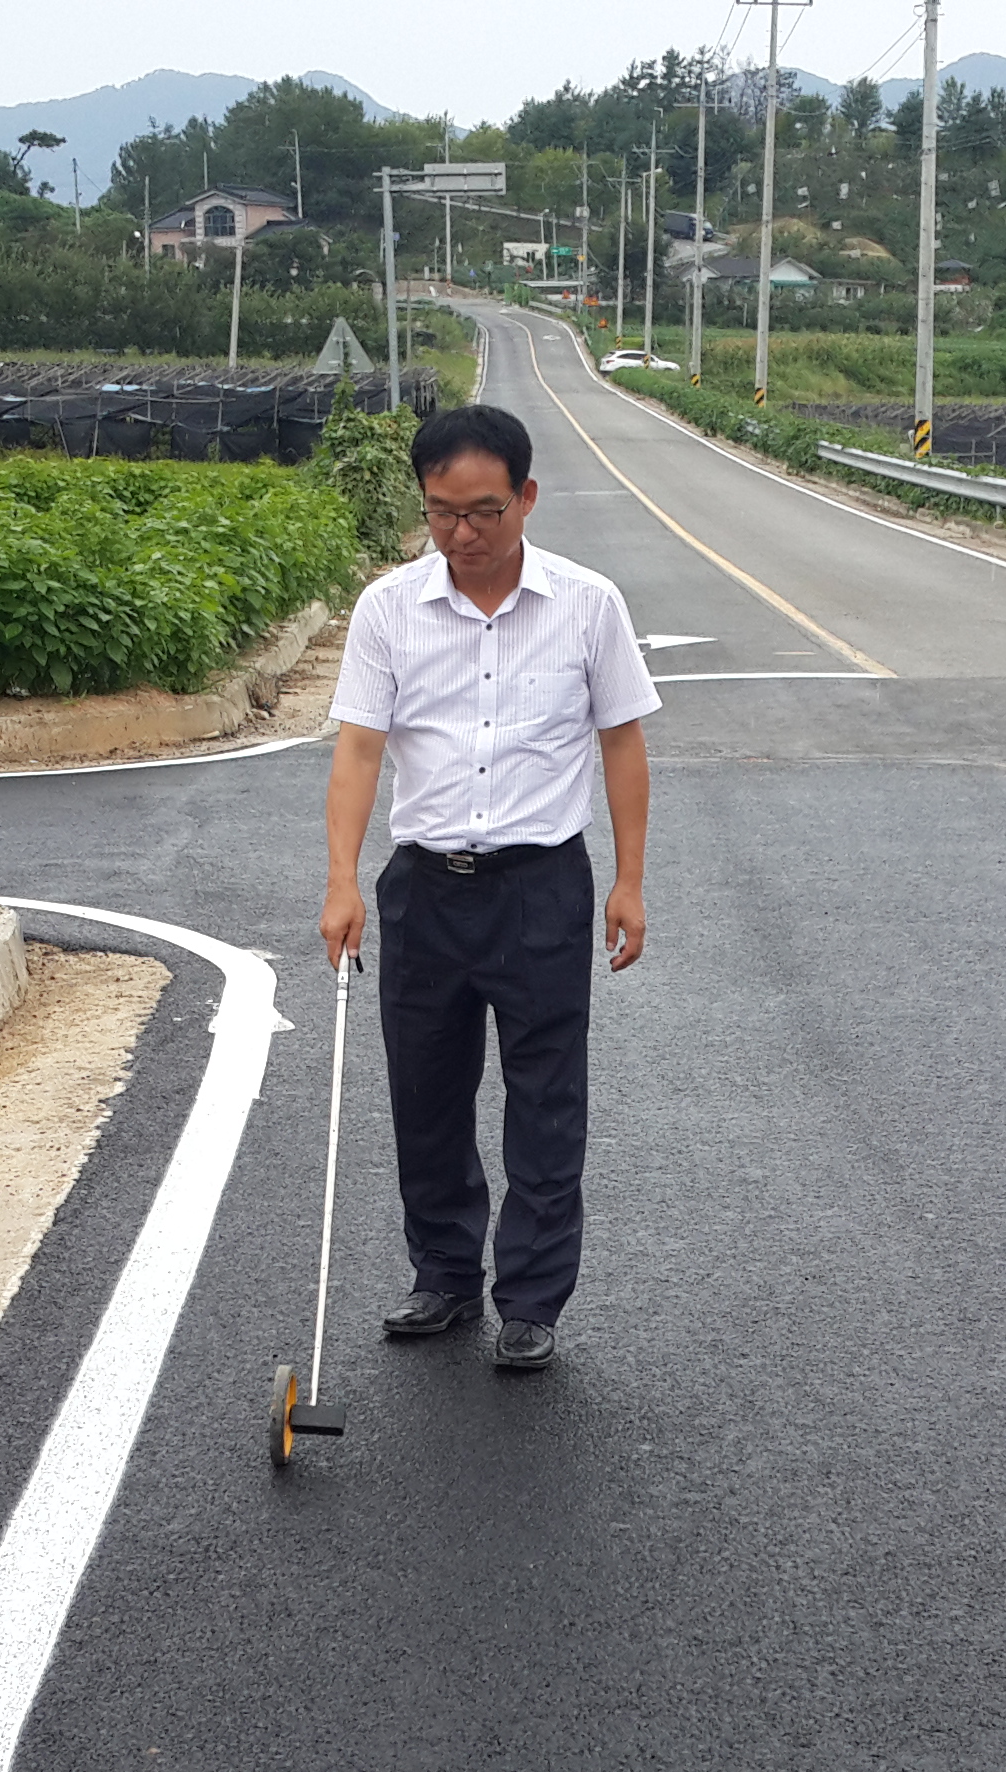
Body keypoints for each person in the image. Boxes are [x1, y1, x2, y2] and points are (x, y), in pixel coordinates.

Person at [319, 404, 660, 1373]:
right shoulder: (389, 607)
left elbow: (622, 742)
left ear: (526, 499)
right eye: (440, 514)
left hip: (542, 886)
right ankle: (442, 1278)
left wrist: (629, 881)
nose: (462, 535)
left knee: (546, 1098)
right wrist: (341, 881)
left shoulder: (588, 605)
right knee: (425, 1093)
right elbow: (358, 750)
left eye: (483, 512)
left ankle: (532, 1300)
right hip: (424, 890)